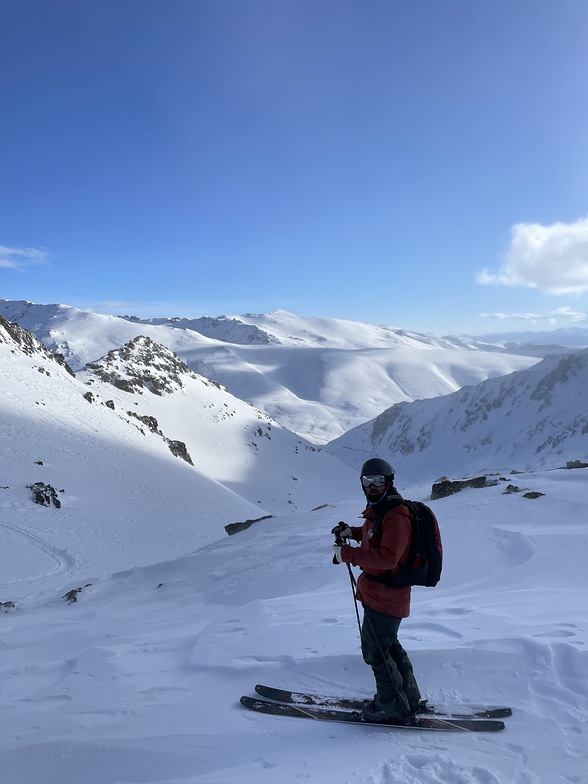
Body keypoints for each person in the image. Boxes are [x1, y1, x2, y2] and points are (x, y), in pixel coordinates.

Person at [331, 457, 422, 723]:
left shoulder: (396, 515)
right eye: (367, 481)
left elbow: (388, 558)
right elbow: (375, 535)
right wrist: (354, 532)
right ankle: (408, 698)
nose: (372, 486)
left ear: (389, 482)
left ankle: (391, 706)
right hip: (379, 594)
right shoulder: (381, 510)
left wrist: (347, 553)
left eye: (378, 481)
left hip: (387, 596)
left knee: (376, 651)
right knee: (388, 646)